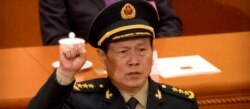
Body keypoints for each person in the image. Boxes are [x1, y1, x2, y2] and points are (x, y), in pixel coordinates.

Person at [20, 1, 203, 109]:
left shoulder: (182, 106)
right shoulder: (81, 104)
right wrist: (65, 74)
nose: (134, 61)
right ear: (103, 58)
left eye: (142, 50)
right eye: (123, 51)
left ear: (152, 52)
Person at [39, 0, 182, 45]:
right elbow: (55, 39)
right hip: (94, 73)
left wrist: (148, 49)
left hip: (149, 67)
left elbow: (170, 22)